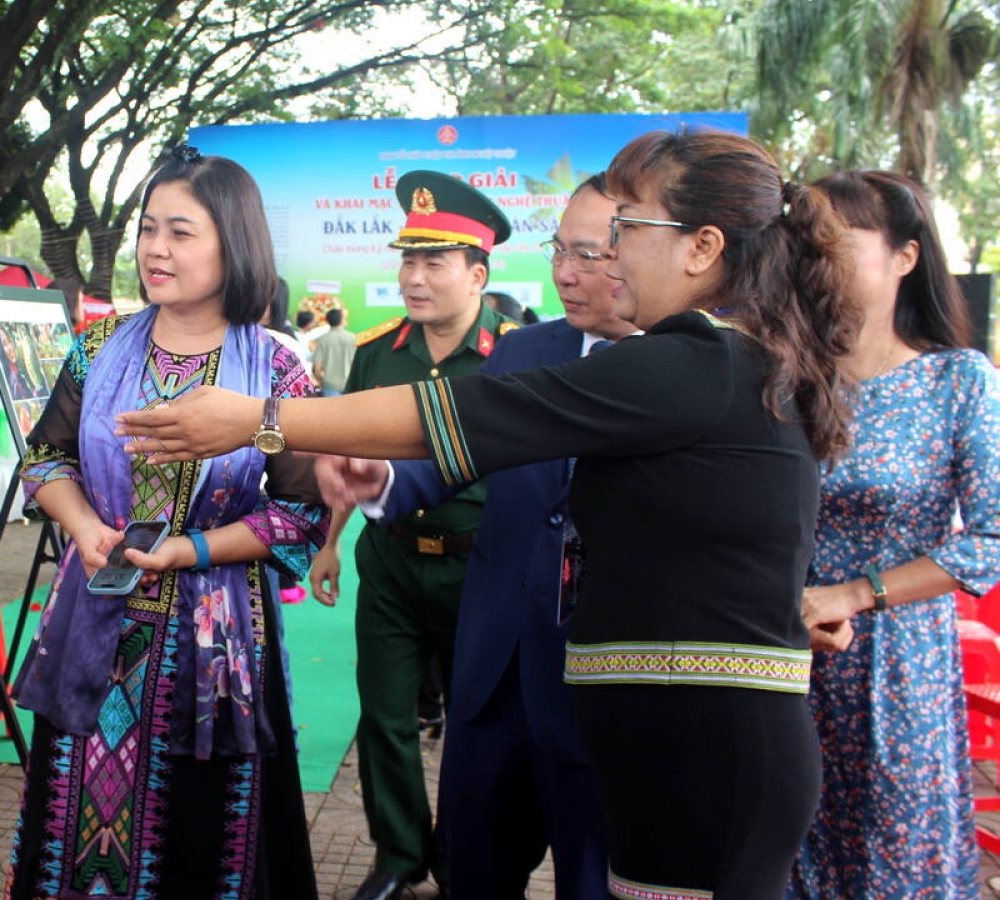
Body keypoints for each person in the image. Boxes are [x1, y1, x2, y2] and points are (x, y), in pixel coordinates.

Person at [115, 128, 860, 900]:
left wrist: (260, 420)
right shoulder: (726, 359)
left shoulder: (697, 359)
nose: (609, 256)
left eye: (626, 229)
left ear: (702, 247)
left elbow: (470, 413)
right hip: (680, 738)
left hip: (704, 748)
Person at [5, 146, 327, 900]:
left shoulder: (276, 372)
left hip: (216, 647)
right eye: (149, 229)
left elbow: (298, 512)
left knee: (205, 836)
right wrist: (83, 524)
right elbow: (45, 460)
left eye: (180, 233)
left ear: (233, 242)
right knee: (72, 821)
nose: (155, 249)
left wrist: (191, 548)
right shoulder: (97, 348)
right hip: (94, 620)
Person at [410, 175, 634, 900]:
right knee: (473, 877)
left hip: (600, 685)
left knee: (592, 882)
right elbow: (449, 454)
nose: (566, 273)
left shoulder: (689, 369)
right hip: (493, 674)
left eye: (591, 254)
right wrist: (375, 484)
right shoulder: (520, 351)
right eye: (559, 250)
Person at [306, 169, 519, 900]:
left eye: (434, 262)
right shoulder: (375, 354)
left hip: (481, 568)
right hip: (391, 564)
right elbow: (346, 460)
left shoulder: (514, 358)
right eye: (408, 260)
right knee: (386, 715)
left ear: (478, 273)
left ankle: (462, 861)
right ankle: (398, 856)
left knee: (474, 725)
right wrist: (331, 541)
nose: (414, 277)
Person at [788, 171, 1000, 899]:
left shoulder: (957, 381)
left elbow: (992, 539)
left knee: (890, 864)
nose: (814, 256)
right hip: (778, 653)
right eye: (804, 240)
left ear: (905, 257)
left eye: (835, 241)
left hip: (896, 672)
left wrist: (853, 593)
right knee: (780, 853)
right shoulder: (785, 380)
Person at [310, 307, 356, 397]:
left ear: (327, 321)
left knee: (332, 410)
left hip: (330, 385)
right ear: (342, 320)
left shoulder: (322, 340)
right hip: (349, 383)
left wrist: (320, 380)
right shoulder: (353, 338)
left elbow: (317, 367)